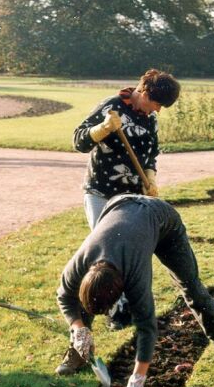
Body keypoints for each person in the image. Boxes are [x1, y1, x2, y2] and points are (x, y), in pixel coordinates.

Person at [55, 194, 214, 387]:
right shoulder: (79, 264)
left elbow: (147, 327)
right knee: (88, 301)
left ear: (122, 291)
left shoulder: (135, 276)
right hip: (120, 206)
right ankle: (79, 350)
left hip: (162, 219)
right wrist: (78, 328)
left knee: (192, 289)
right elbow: (64, 296)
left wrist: (138, 377)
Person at [73, 69, 180, 330]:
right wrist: (104, 128)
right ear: (143, 92)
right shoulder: (112, 106)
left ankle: (127, 306)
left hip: (132, 196)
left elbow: (151, 154)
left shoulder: (150, 119)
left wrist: (151, 178)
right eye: (157, 103)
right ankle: (111, 310)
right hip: (100, 192)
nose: (158, 110)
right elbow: (78, 140)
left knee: (130, 251)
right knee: (107, 252)